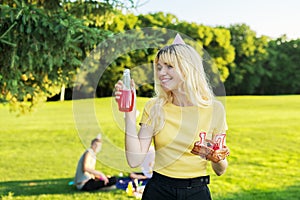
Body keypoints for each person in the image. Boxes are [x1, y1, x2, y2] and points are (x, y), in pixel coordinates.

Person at [115, 34, 230, 200]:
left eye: (169, 66)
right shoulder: (154, 107)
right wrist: (129, 115)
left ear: (187, 68)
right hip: (159, 191)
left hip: (197, 192)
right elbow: (134, 160)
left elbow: (221, 170)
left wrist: (215, 156)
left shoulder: (215, 110)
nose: (162, 73)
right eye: (159, 67)